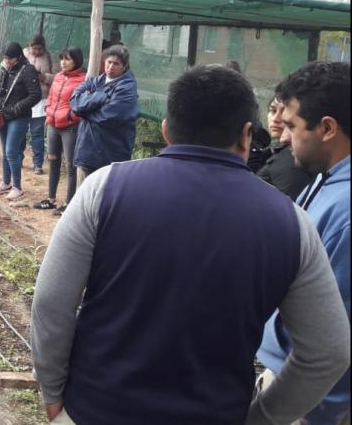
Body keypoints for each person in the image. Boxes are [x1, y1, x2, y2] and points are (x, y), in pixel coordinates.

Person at [31, 65, 350, 425]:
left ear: (166, 130)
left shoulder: (104, 188)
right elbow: (329, 352)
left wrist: (53, 391)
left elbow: (51, 304)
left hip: (96, 411)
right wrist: (263, 417)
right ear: (247, 135)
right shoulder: (290, 221)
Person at [258, 61, 351, 425]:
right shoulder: (325, 178)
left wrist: (311, 413)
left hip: (310, 401)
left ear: (327, 128)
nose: (283, 138)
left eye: (293, 126)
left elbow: (337, 337)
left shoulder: (346, 213)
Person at [70, 45, 139, 188]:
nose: (111, 67)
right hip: (88, 151)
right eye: (109, 62)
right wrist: (100, 97)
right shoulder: (95, 81)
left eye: (116, 63)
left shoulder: (127, 87)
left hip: (111, 154)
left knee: (105, 196)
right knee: (86, 196)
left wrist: (85, 112)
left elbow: (110, 116)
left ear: (124, 66)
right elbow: (75, 102)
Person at [33, 47, 86, 215]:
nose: (63, 62)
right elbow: (51, 97)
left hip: (70, 128)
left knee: (71, 166)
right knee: (53, 162)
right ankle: (51, 200)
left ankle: (69, 204)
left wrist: (71, 116)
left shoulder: (84, 80)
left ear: (76, 61)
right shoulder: (58, 77)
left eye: (67, 59)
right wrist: (49, 111)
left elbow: (83, 104)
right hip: (53, 125)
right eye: (62, 58)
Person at [0, 42, 41, 201]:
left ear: (18, 56)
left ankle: (17, 187)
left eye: (9, 58)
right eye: (5, 58)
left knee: (12, 151)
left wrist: (18, 107)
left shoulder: (28, 70)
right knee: (5, 151)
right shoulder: (6, 68)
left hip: (19, 116)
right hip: (4, 115)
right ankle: (6, 182)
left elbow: (35, 95)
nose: (7, 61)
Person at [255, 97, 313, 199]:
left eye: (284, 111)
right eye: (273, 111)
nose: (275, 119)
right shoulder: (275, 151)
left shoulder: (293, 157)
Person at [26, 35, 54, 175]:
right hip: (24, 99)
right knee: (21, 130)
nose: (37, 51)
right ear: (29, 47)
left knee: (37, 133)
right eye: (34, 48)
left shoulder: (49, 57)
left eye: (40, 49)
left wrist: (43, 77)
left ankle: (38, 164)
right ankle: (18, 159)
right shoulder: (24, 55)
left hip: (41, 99)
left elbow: (56, 77)